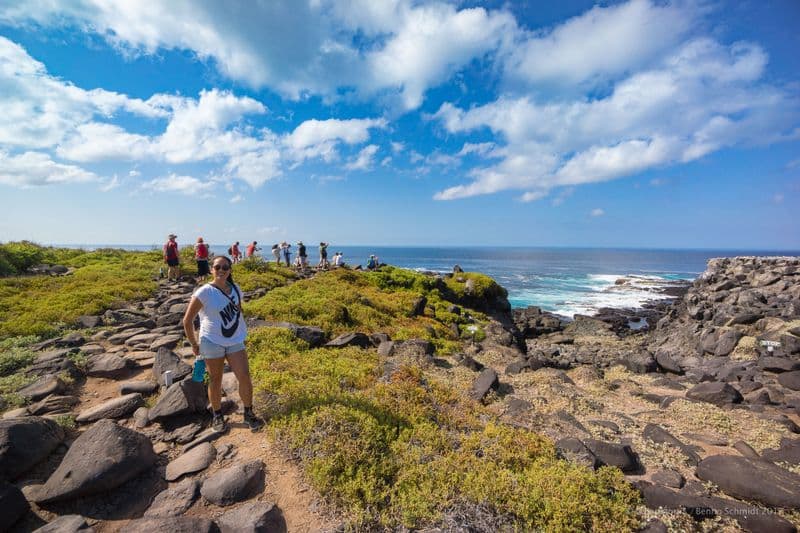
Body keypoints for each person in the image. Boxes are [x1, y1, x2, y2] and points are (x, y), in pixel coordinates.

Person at [182, 255, 264, 432]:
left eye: (225, 267)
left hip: (235, 340)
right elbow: (187, 321)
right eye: (217, 267)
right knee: (215, 379)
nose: (221, 270)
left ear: (230, 270)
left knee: (244, 376)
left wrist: (240, 331)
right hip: (211, 341)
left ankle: (248, 413)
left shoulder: (235, 288)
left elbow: (238, 311)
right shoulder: (204, 292)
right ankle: (217, 415)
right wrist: (194, 345)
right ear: (211, 269)